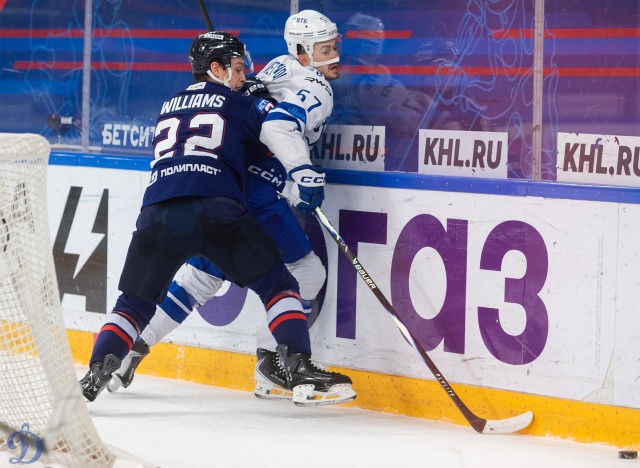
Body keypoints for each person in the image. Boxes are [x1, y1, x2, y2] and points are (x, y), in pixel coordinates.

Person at [79, 30, 354, 407]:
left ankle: (102, 364)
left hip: (157, 210)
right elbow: (276, 129)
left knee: (138, 302)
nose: (244, 76)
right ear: (216, 69)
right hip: (220, 206)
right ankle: (287, 364)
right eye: (238, 69)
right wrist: (300, 172)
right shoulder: (241, 103)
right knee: (282, 282)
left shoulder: (169, 103)